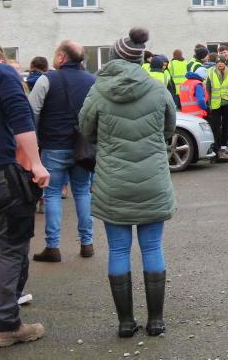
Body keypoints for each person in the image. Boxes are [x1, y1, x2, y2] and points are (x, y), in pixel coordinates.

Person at [79, 27, 176, 338]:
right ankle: (156, 321)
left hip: (113, 180)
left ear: (113, 58)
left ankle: (125, 322)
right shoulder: (158, 88)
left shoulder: (98, 91)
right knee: (152, 246)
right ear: (139, 59)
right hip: (152, 179)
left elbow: (85, 129)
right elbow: (168, 129)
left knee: (118, 250)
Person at [0, 38, 49, 347]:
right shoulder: (1, 74)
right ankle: (7, 324)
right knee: (11, 248)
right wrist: (36, 164)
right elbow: (23, 122)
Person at [27, 40, 96, 263]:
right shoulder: (92, 81)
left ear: (61, 57)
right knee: (83, 192)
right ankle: (87, 243)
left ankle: (53, 247)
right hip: (83, 148)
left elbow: (31, 111)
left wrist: (34, 142)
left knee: (52, 194)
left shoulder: (47, 79)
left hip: (53, 146)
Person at [205, 56, 228, 162]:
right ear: (215, 63)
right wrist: (209, 103)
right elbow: (208, 88)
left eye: (222, 62)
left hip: (227, 102)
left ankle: (223, 148)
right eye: (218, 62)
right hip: (215, 103)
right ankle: (216, 149)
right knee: (216, 127)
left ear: (225, 63)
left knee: (225, 126)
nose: (220, 64)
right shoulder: (210, 72)